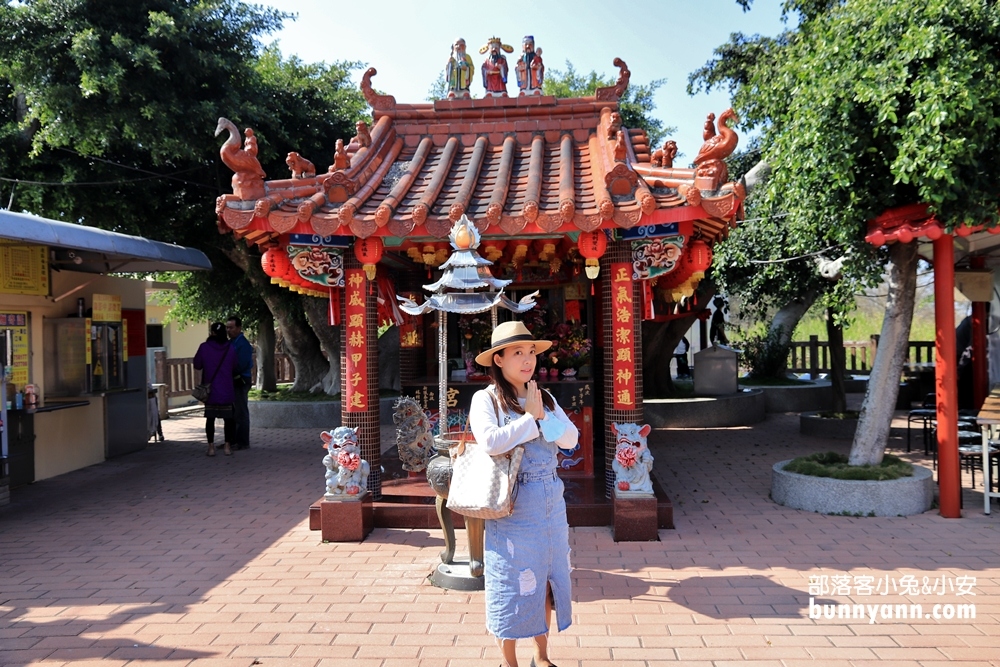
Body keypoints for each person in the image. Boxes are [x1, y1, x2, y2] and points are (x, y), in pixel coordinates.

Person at [470, 320, 578, 667]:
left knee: (546, 578)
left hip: (550, 499)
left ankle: (542, 655)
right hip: (512, 504)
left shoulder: (543, 396)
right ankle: (508, 660)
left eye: (531, 351)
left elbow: (571, 440)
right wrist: (530, 420)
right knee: (510, 581)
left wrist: (543, 414)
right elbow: (489, 442)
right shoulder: (485, 399)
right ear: (498, 359)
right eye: (518, 352)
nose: (527, 359)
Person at [193, 323, 237, 456]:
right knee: (228, 419)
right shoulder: (230, 348)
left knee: (210, 419)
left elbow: (197, 364)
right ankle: (227, 447)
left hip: (210, 391)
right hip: (226, 389)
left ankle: (211, 448)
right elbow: (235, 365)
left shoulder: (204, 347)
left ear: (212, 332)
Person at [226, 315, 253, 450]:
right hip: (231, 380)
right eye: (227, 327)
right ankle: (231, 440)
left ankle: (243, 442)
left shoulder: (243, 344)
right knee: (231, 411)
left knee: (240, 411)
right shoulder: (232, 342)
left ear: (239, 328)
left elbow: (240, 365)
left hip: (240, 380)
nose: (228, 330)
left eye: (231, 327)